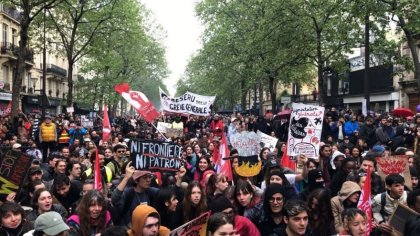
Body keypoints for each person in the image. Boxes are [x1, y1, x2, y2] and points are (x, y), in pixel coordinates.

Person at [111, 162, 159, 226]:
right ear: (136, 180)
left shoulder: (150, 192)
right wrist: (126, 178)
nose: (148, 180)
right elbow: (115, 199)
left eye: (150, 176)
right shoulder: (128, 193)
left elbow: (166, 193)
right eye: (145, 177)